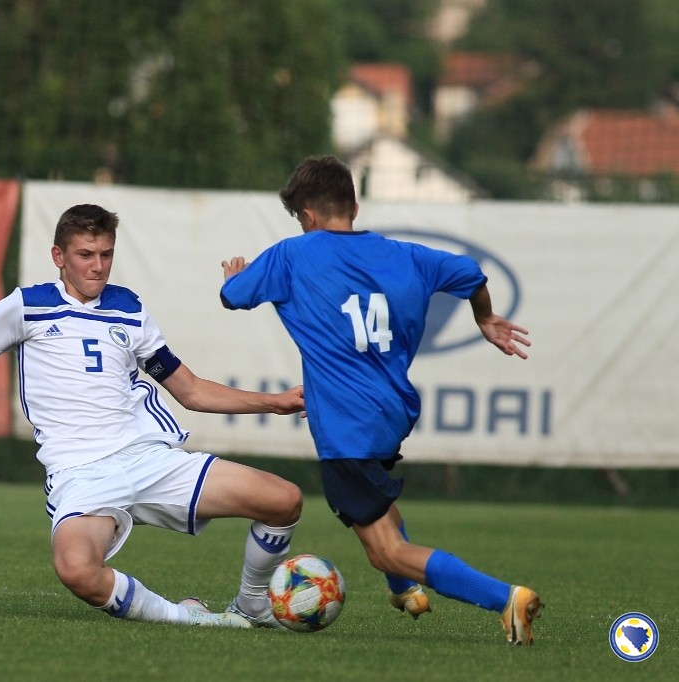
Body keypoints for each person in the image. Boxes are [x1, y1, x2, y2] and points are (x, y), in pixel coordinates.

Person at [0, 203, 304, 628]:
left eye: (106, 254)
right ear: (59, 256)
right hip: (80, 473)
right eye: (85, 254)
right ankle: (191, 619)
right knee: (76, 570)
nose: (98, 266)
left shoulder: (129, 309)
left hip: (148, 457)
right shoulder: (26, 306)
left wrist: (274, 402)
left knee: (283, 500)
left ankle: (252, 605)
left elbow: (189, 390)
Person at [219, 155, 543, 645]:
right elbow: (472, 274)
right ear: (354, 207)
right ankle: (404, 590)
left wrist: (232, 278)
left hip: (346, 427)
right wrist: (485, 317)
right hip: (391, 413)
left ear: (306, 215)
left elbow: (234, 296)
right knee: (378, 505)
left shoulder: (293, 254)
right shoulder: (408, 256)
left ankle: (507, 598)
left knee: (385, 549)